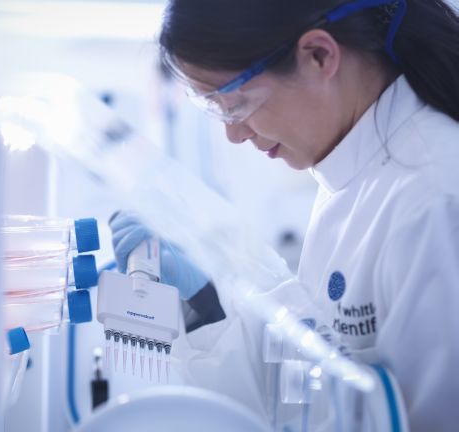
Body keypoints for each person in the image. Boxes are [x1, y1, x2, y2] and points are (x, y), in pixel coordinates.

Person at [110, 0, 459, 430]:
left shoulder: (435, 198)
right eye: (213, 110)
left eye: (233, 104)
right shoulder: (353, 169)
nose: (234, 134)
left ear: (319, 56)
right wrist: (206, 301)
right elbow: (311, 375)